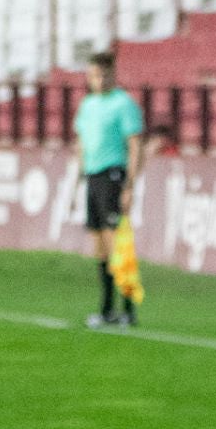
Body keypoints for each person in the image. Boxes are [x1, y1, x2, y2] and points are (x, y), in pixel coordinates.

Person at [72, 51, 144, 329]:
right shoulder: (87, 105)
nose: (98, 81)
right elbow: (81, 143)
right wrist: (79, 178)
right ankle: (106, 309)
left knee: (117, 244)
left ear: (113, 74)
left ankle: (127, 308)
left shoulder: (123, 104)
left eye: (102, 75)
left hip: (113, 176)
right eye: (93, 76)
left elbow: (135, 146)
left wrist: (129, 186)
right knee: (100, 248)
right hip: (92, 177)